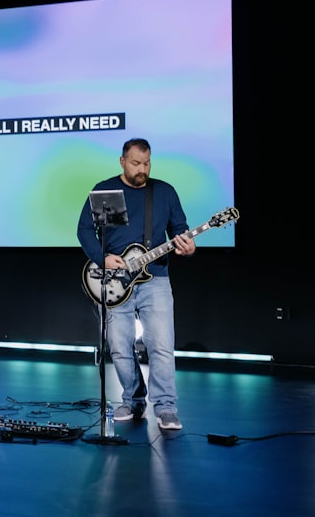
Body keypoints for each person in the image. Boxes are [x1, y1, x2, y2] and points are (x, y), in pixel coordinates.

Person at [76, 138, 195, 431]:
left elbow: (179, 230)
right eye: (136, 163)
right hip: (115, 282)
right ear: (122, 162)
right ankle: (132, 399)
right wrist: (102, 258)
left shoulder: (164, 192)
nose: (142, 169)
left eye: (147, 163)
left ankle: (166, 407)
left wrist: (186, 245)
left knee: (162, 346)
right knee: (118, 346)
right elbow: (86, 230)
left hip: (155, 278)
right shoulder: (107, 190)